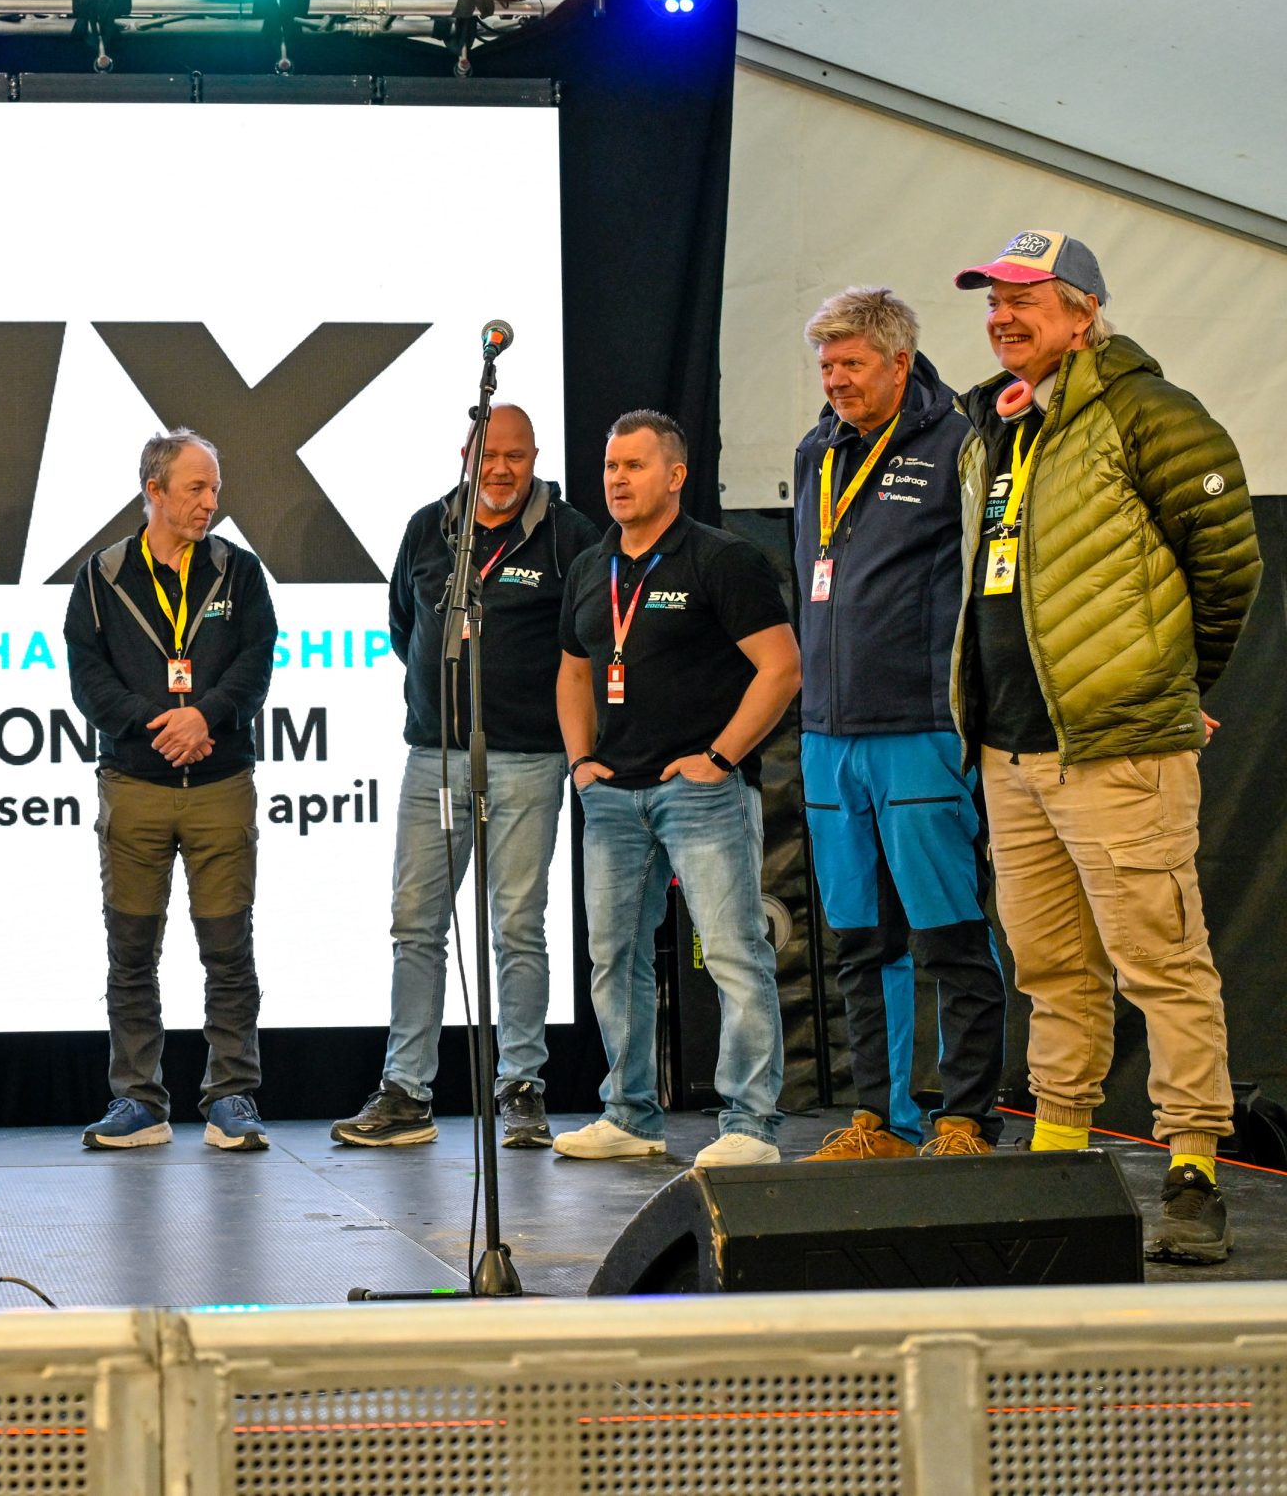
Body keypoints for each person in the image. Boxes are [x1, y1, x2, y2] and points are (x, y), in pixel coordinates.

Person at [949, 230, 1259, 1264]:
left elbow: (1228, 561)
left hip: (1116, 746)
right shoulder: (994, 427)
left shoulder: (1149, 412)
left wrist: (1173, 685)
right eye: (993, 301)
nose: (1001, 317)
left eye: (1024, 299)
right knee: (1050, 968)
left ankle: (1193, 1171)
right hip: (1011, 750)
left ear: (1083, 312)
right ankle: (1058, 1160)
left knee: (1162, 965)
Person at [790, 289, 1007, 1161]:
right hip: (826, 735)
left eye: (852, 363)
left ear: (899, 361)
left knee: (949, 930)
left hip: (920, 726)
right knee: (860, 938)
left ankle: (965, 1117)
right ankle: (880, 1120)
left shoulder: (958, 441)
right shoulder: (817, 451)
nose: (836, 380)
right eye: (827, 365)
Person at [334, 404, 585, 1150]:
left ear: (535, 457)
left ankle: (522, 1088)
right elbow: (404, 628)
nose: (501, 469)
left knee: (517, 926)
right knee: (415, 924)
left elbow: (588, 639)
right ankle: (406, 1092)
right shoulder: (427, 528)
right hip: (435, 759)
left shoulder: (567, 534)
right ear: (466, 455)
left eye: (516, 455)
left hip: (530, 759)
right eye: (489, 454)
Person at [554, 410, 800, 1167]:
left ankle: (750, 1125)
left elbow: (782, 667)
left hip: (702, 794)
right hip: (611, 796)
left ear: (676, 475)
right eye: (611, 466)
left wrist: (720, 758)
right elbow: (573, 673)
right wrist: (581, 763)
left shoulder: (722, 558)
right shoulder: (592, 567)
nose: (617, 479)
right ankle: (630, 1115)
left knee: (733, 954)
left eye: (634, 465)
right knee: (614, 959)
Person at [64, 428, 279, 1152]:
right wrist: (157, 725)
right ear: (153, 491)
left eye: (214, 487)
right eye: (196, 488)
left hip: (220, 783)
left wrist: (204, 717)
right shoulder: (101, 576)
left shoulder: (239, 572)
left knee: (228, 949)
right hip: (134, 784)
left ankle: (232, 1095)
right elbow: (88, 679)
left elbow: (255, 665)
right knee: (130, 952)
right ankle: (138, 1100)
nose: (210, 502)